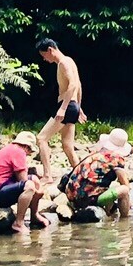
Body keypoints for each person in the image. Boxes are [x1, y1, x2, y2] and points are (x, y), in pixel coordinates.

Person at [61, 128, 133, 220]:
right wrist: (128, 202)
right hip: (86, 200)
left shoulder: (95, 154)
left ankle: (108, 213)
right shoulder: (116, 159)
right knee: (124, 190)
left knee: (106, 185)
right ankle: (125, 221)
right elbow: (125, 184)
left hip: (71, 196)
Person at [35, 38, 84, 176]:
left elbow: (73, 84)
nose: (44, 59)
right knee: (68, 146)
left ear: (50, 50)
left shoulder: (63, 62)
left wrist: (63, 108)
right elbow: (79, 85)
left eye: (44, 55)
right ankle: (82, 176)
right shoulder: (70, 61)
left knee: (41, 138)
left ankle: (47, 175)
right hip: (73, 105)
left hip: (67, 106)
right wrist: (78, 107)